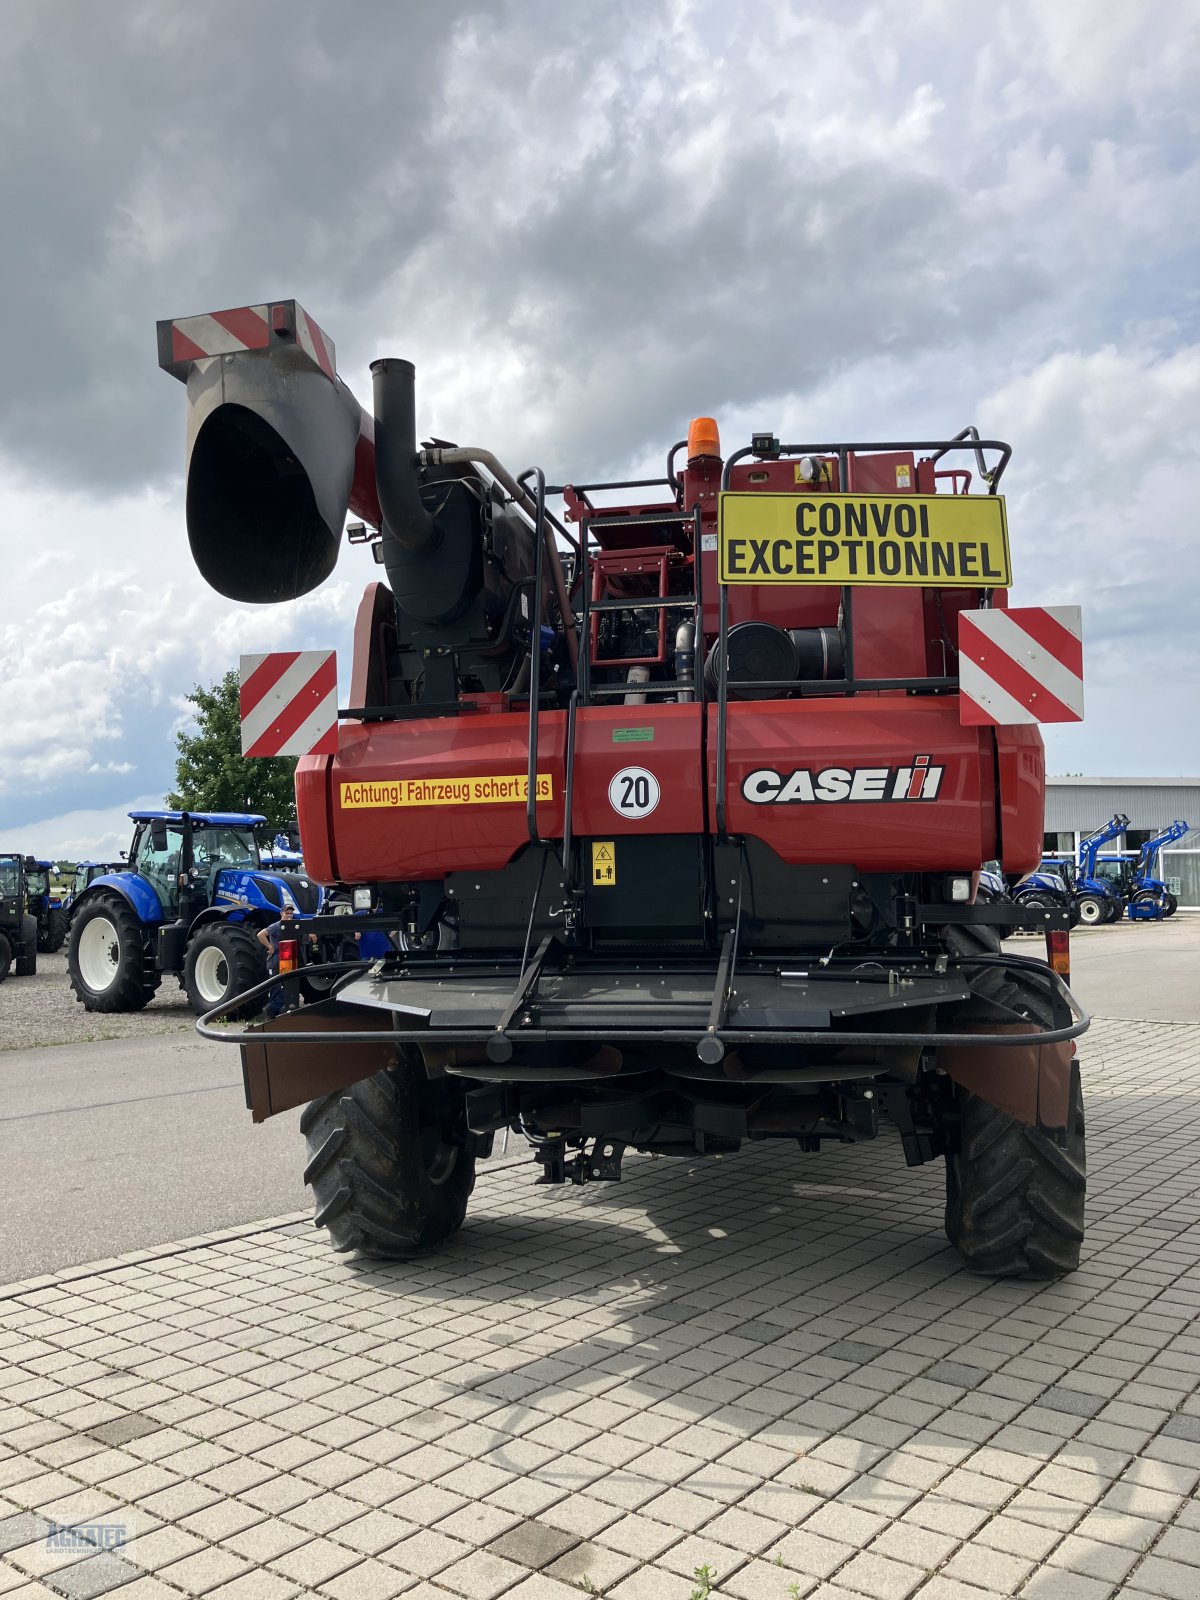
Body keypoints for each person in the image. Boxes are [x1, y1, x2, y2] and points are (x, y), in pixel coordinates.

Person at [257, 903, 300, 1018]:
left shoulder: (294, 925)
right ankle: (270, 1012)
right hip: (275, 959)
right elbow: (261, 935)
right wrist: (269, 946)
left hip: (288, 959)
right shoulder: (276, 926)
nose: (289, 916)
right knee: (275, 986)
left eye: (291, 913)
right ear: (281, 913)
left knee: (287, 985)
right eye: (287, 913)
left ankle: (282, 1011)